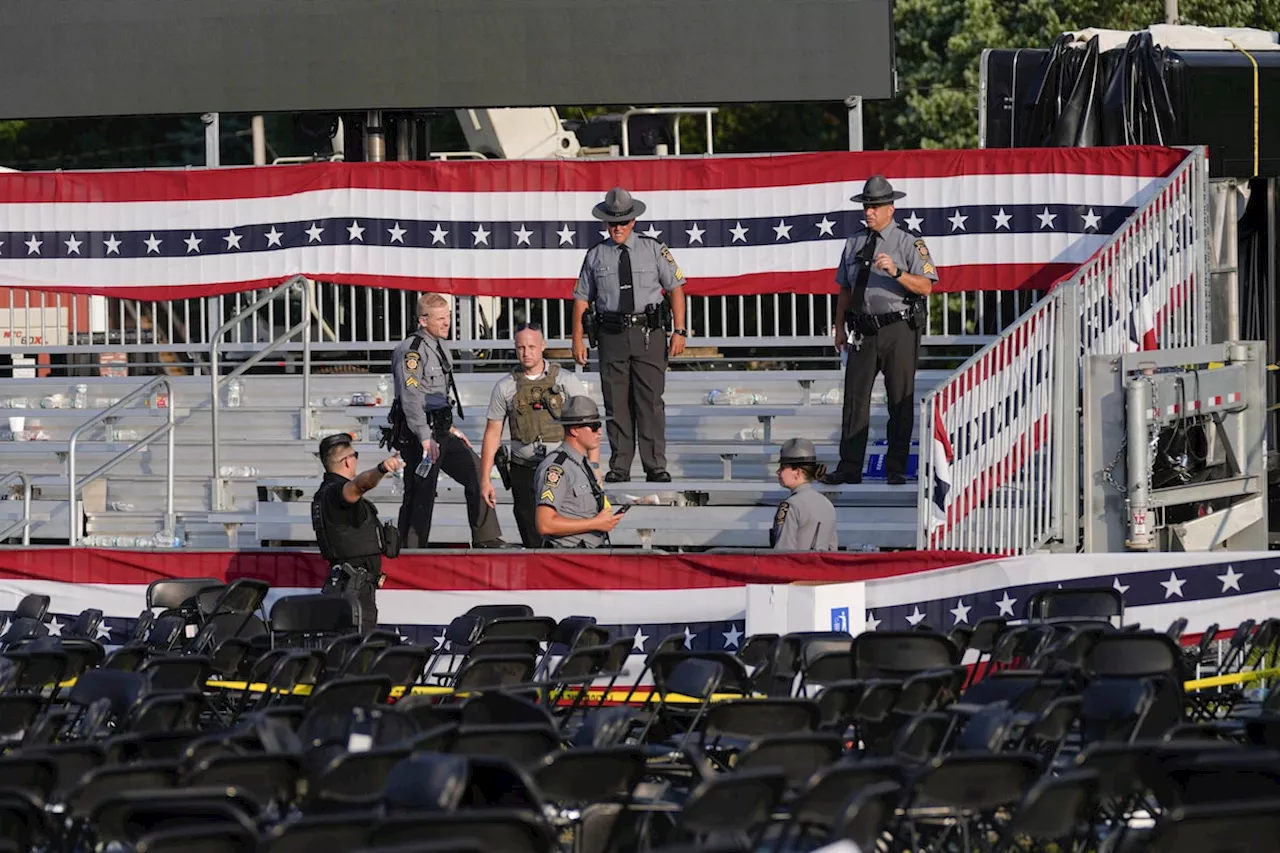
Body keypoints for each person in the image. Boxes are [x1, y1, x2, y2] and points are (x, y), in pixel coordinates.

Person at [825, 175, 938, 486]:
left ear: (891, 208)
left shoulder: (908, 242)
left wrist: (897, 272)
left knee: (899, 399)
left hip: (899, 328)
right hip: (862, 329)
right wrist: (839, 327)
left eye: (874, 206)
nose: (869, 212)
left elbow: (926, 286)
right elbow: (845, 289)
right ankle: (849, 467)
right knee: (854, 400)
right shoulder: (854, 242)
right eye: (866, 206)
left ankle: (896, 467)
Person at [571, 186, 688, 484]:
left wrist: (680, 330)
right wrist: (577, 337)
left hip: (649, 334)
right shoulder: (596, 255)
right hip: (611, 335)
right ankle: (620, 465)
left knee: (649, 402)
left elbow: (676, 288)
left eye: (623, 222)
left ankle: (655, 465)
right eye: (612, 223)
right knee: (616, 403)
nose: (617, 228)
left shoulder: (653, 249)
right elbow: (582, 298)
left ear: (633, 221)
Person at [390, 293, 506, 549]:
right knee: (421, 493)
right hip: (420, 434)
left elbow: (438, 397)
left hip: (441, 429)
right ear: (423, 320)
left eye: (448, 317)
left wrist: (450, 427)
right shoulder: (412, 351)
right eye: (440, 319)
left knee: (477, 473)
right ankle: (410, 550)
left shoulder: (440, 345)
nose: (446, 323)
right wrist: (424, 437)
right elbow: (411, 399)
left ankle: (487, 538)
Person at [478, 322, 598, 548]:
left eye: (532, 347)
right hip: (524, 468)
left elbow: (588, 425)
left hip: (562, 468)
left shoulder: (565, 381)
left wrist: (593, 467)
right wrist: (485, 479)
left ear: (543, 346)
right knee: (530, 531)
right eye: (521, 347)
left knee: (566, 532)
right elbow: (492, 433)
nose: (526, 353)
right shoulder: (505, 387)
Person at [311, 433, 405, 633]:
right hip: (353, 591)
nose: (356, 460)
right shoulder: (335, 493)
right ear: (347, 461)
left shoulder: (326, 493)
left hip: (351, 588)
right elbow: (359, 486)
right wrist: (382, 469)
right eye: (355, 455)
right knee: (356, 653)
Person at [534, 396, 623, 548]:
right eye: (594, 426)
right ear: (574, 430)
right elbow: (545, 524)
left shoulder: (582, 464)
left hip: (587, 554)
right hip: (567, 557)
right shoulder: (557, 468)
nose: (600, 432)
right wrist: (596, 523)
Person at [771, 438, 838, 551]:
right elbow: (832, 548)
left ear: (798, 472)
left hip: (798, 568)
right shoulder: (826, 503)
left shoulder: (791, 505)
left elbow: (783, 552)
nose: (778, 472)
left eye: (783, 467)